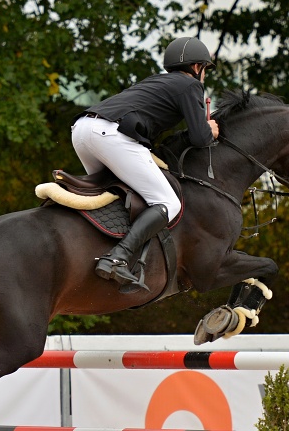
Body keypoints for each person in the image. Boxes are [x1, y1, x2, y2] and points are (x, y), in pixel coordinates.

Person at [71, 37, 220, 291]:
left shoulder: (155, 81)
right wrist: (211, 130)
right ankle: (118, 257)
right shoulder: (190, 85)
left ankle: (96, 249)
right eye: (205, 69)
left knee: (117, 196)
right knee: (168, 202)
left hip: (82, 130)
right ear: (197, 68)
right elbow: (199, 137)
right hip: (111, 136)